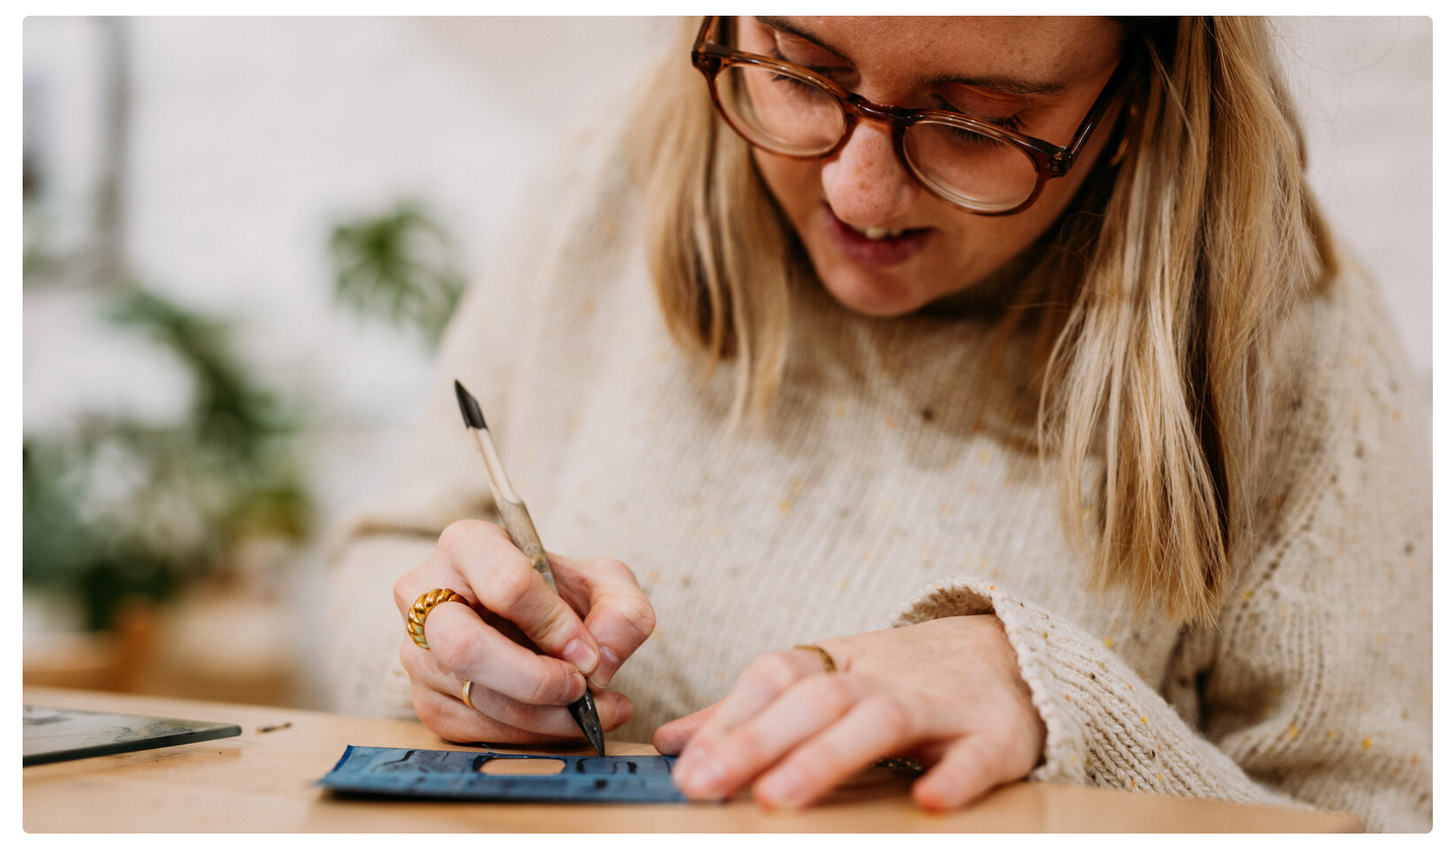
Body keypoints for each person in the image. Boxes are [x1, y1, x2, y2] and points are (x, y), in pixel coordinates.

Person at [324, 17, 1430, 832]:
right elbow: (385, 561)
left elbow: (1371, 820)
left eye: (975, 122)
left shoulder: (1286, 341)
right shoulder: (617, 168)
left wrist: (1063, 710)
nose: (858, 194)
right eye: (801, 71)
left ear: (1139, 87)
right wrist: (442, 647)